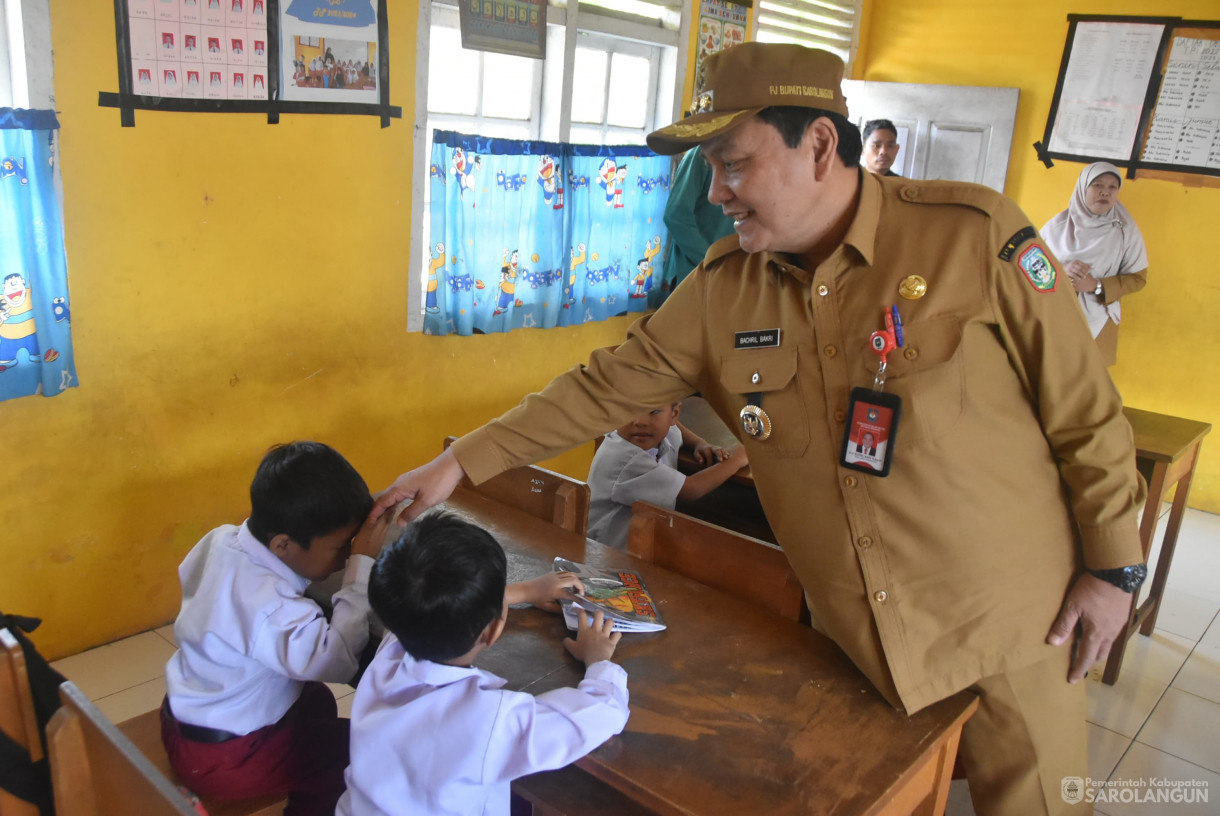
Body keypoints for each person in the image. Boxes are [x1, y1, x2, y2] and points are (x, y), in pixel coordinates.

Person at [377, 42, 1145, 816]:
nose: (717, 193)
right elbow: (602, 386)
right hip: (857, 643)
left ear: (816, 144)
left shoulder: (971, 237)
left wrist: (1115, 571)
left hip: (1015, 625)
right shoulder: (723, 290)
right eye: (709, 169)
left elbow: (1084, 410)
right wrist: (459, 464)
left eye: (733, 164)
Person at [336, 512, 629, 816]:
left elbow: (431, 606)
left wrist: (526, 591)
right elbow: (604, 712)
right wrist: (598, 660)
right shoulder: (489, 719)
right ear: (492, 631)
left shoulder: (389, 653)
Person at [161, 441, 389, 816]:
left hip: (183, 720)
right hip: (224, 759)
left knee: (316, 700)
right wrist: (360, 569)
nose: (346, 554)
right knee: (357, 750)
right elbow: (339, 661)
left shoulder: (220, 539)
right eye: (340, 547)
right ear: (283, 544)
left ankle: (303, 783)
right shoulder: (269, 607)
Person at [588, 404, 748, 550]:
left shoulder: (660, 433)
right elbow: (692, 489)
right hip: (606, 554)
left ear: (674, 414)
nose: (639, 421)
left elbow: (675, 428)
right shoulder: (624, 457)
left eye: (654, 411)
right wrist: (737, 459)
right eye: (629, 409)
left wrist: (699, 443)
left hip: (640, 545)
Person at [1041, 162, 1148, 367]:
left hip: (1099, 320)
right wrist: (1061, 272)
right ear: (1083, 187)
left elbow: (1138, 279)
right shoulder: (1055, 228)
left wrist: (1096, 286)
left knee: (1088, 386)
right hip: (1051, 316)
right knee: (1048, 378)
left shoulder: (1125, 231)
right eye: (1097, 185)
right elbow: (1026, 270)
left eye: (1112, 187)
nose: (1104, 193)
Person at [661, 145, 737, 289]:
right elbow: (676, 215)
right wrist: (711, 260)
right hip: (694, 272)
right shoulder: (701, 153)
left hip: (730, 272)